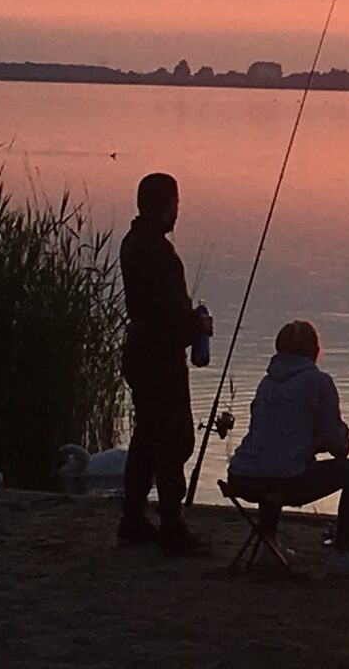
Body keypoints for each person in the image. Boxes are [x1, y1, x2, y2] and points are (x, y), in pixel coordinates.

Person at [227, 320, 349, 574]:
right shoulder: (318, 382)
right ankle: (342, 553)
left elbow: (275, 438)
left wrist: (309, 444)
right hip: (286, 483)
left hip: (241, 477)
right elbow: (338, 444)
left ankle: (268, 544)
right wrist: (339, 441)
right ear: (314, 350)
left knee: (275, 463)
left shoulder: (266, 383)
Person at [119, 172, 212, 553]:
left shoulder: (133, 242)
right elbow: (168, 312)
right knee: (175, 439)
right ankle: (171, 524)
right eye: (176, 203)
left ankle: (134, 518)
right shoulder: (157, 251)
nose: (178, 211)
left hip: (141, 353)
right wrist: (199, 326)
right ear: (165, 204)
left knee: (147, 436)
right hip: (159, 359)